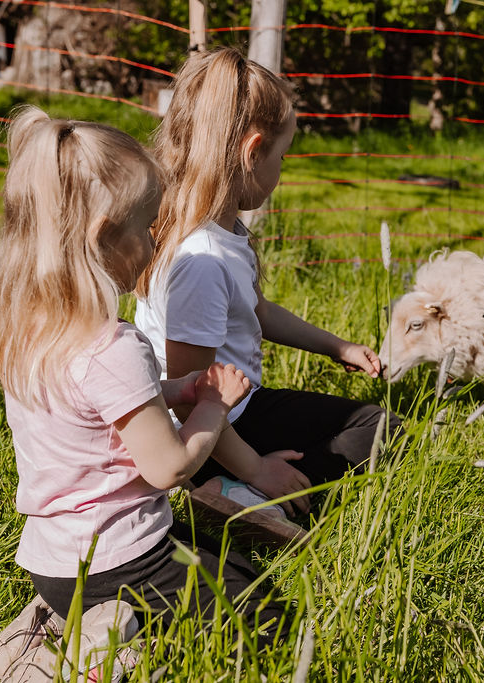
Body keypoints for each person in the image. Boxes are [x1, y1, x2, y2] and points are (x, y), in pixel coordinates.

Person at [0, 105, 283, 642]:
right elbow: (169, 469)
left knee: (213, 563)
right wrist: (210, 408)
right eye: (146, 227)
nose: (151, 244)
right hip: (118, 563)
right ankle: (100, 652)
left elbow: (89, 408)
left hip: (53, 566)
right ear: (103, 238)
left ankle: (55, 619)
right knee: (261, 614)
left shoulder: (29, 330)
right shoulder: (112, 347)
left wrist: (171, 389)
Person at [135, 48, 402, 533]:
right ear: (253, 151)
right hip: (206, 435)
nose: (282, 170)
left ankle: (245, 490)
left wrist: (335, 346)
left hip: (231, 411)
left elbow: (254, 309)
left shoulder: (217, 227)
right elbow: (188, 398)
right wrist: (257, 466)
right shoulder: (203, 260)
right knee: (379, 433)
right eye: (282, 156)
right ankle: (229, 494)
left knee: (375, 426)